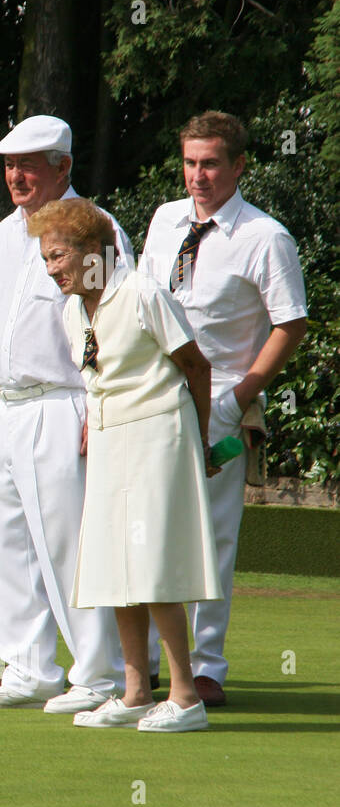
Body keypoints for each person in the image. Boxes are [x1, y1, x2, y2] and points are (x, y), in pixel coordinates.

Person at [0, 115, 127, 712]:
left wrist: (96, 408)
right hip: (5, 405)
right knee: (6, 542)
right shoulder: (5, 233)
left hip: (64, 402)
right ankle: (28, 669)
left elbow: (112, 321)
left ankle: (97, 674)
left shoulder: (97, 228)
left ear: (64, 167)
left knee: (68, 543)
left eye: (29, 164)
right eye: (9, 164)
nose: (16, 175)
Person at [29, 197, 222, 732]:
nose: (52, 270)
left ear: (96, 251)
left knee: (153, 564)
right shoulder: (72, 310)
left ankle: (185, 698)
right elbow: (95, 379)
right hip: (111, 440)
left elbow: (195, 367)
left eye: (59, 256)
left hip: (161, 434)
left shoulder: (142, 292)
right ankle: (135, 692)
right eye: (46, 259)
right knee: (115, 563)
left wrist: (200, 441)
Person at [138, 111, 308, 707]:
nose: (198, 175)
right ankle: (152, 664)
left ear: (239, 165)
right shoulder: (164, 221)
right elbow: (143, 304)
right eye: (189, 162)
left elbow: (291, 324)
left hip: (220, 404)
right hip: (153, 396)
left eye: (210, 163)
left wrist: (240, 399)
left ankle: (207, 668)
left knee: (210, 538)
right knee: (150, 530)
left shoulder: (266, 236)